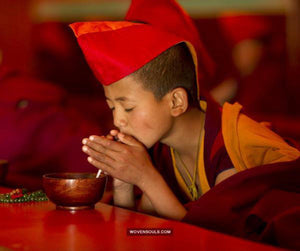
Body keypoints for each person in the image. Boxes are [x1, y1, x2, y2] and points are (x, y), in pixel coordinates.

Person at [72, 1, 300, 245]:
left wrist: (146, 177)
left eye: (128, 107)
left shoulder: (232, 146)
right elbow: (142, 229)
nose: (118, 120)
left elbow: (210, 241)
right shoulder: (165, 146)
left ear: (176, 102)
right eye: (112, 107)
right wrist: (125, 179)